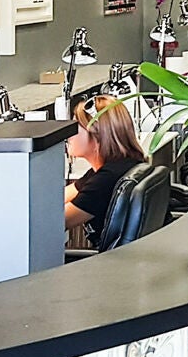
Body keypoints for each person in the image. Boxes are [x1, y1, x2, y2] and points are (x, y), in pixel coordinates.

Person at [63, 95, 148, 245]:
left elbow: (56, 222)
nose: (68, 135)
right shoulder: (120, 165)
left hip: (112, 265)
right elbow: (61, 197)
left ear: (97, 134)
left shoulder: (106, 181)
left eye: (75, 127)